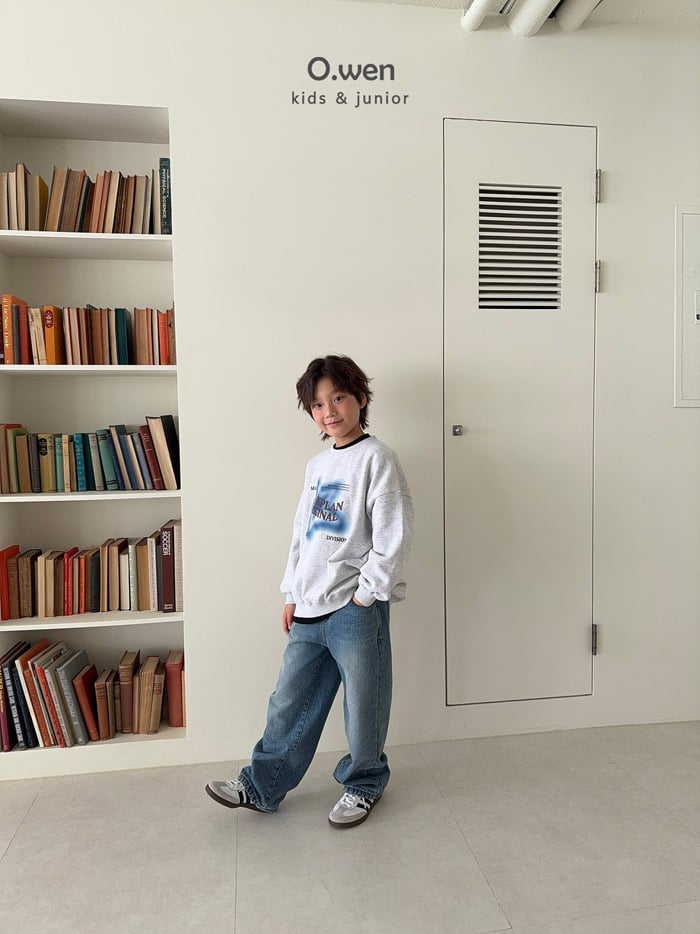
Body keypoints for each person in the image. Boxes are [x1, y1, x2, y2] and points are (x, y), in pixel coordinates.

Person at [206, 354, 414, 828]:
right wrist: (292, 594)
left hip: (354, 608)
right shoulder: (317, 465)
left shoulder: (378, 459)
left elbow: (394, 536)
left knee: (363, 704)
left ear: (360, 397)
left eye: (338, 398)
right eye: (318, 405)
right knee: (288, 701)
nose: (329, 411)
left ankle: (364, 784)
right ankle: (262, 786)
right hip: (309, 606)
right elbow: (302, 534)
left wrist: (366, 594)